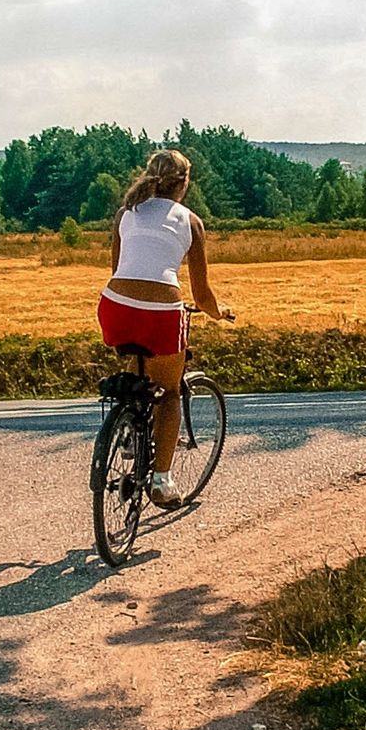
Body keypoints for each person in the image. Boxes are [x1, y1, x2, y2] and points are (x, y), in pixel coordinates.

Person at [98, 149, 233, 505]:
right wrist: (220, 313)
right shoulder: (190, 221)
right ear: (185, 183)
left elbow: (120, 270)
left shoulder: (125, 213)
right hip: (161, 312)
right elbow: (202, 294)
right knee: (170, 392)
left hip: (114, 306)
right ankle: (161, 481)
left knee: (135, 359)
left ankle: (128, 429)